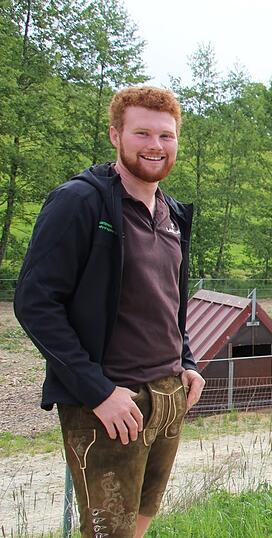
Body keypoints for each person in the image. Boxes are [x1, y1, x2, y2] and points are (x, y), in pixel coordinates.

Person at [14, 86, 204, 538]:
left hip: (167, 395)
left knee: (139, 523)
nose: (155, 146)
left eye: (166, 135)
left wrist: (188, 360)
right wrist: (98, 391)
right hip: (109, 402)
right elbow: (34, 303)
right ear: (115, 136)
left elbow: (168, 302)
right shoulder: (81, 202)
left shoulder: (173, 214)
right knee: (107, 533)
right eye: (142, 133)